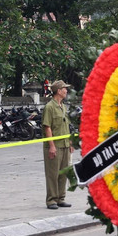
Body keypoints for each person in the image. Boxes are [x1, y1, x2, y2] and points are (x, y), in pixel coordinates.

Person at [43, 80, 73, 210]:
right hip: (55, 145)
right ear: (59, 91)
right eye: (64, 89)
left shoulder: (63, 106)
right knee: (52, 174)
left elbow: (67, 126)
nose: (66, 91)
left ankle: (61, 198)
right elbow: (47, 127)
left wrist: (70, 142)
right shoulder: (49, 107)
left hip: (65, 144)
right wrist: (51, 146)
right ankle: (51, 200)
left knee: (63, 173)